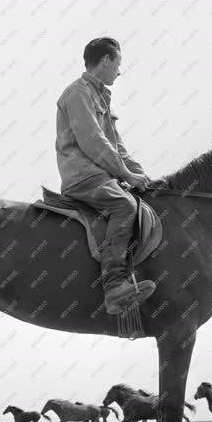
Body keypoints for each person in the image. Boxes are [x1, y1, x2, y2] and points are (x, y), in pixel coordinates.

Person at [55, 37, 156, 315]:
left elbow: (116, 147)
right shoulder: (77, 93)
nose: (119, 72)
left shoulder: (100, 98)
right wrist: (125, 174)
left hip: (103, 175)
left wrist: (141, 175)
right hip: (83, 177)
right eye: (118, 64)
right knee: (125, 205)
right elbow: (94, 143)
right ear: (107, 60)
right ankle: (114, 286)